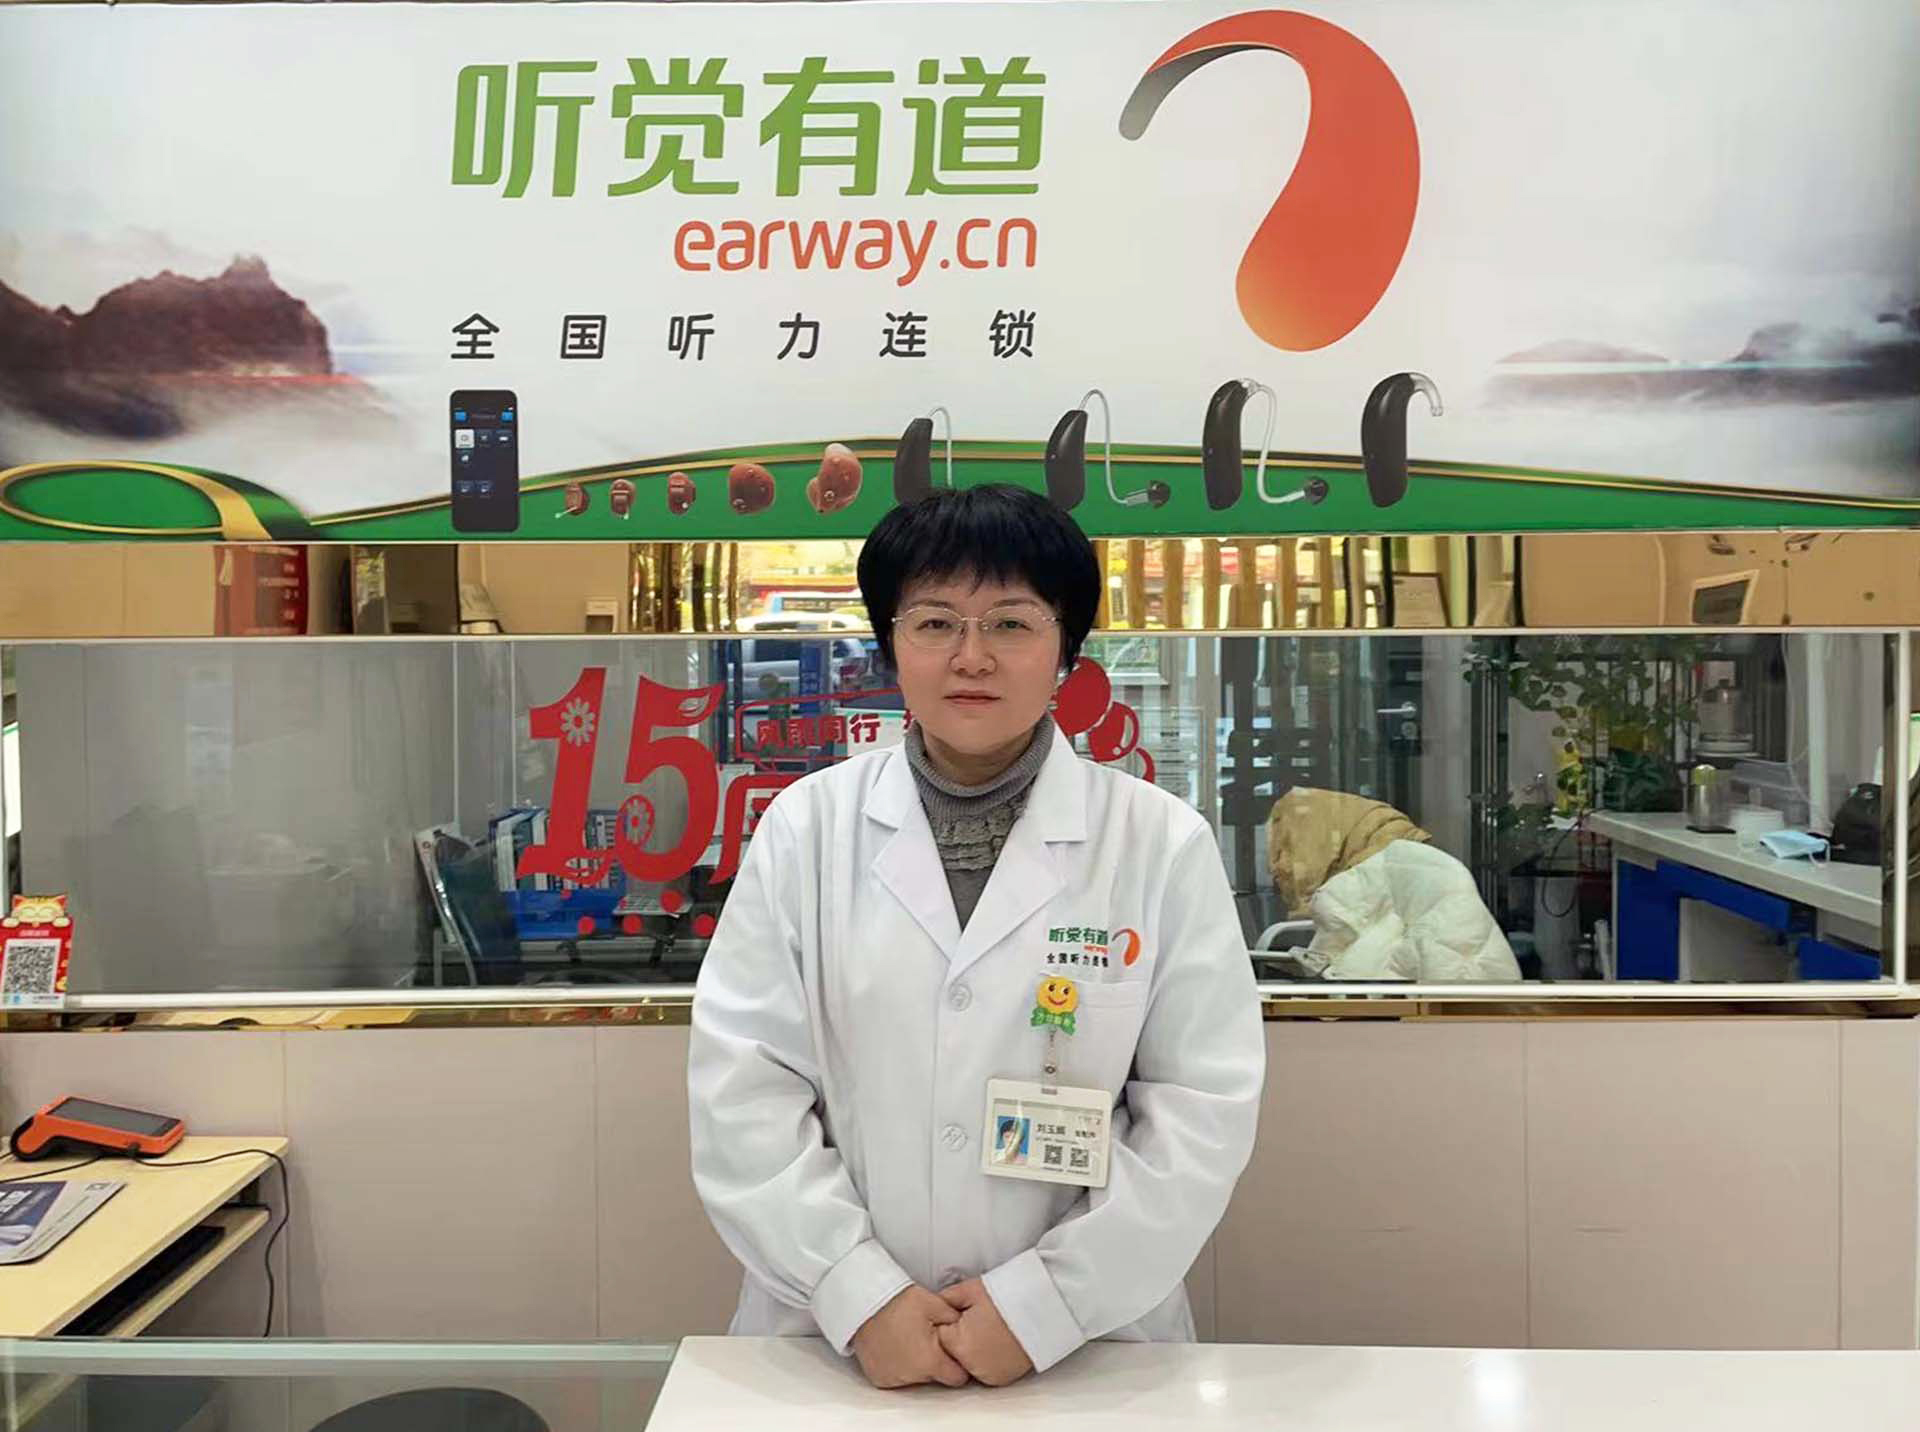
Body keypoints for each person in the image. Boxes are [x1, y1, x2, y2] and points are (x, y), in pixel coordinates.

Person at [687, 484, 1264, 1390]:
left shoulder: (1158, 843)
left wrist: (1049, 1304)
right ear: (890, 645)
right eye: (934, 623)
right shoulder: (805, 829)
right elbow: (743, 1091)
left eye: (1011, 624)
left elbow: (1199, 1113)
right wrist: (858, 1294)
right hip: (835, 1341)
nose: (972, 657)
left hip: (1089, 1345)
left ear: (1067, 650)